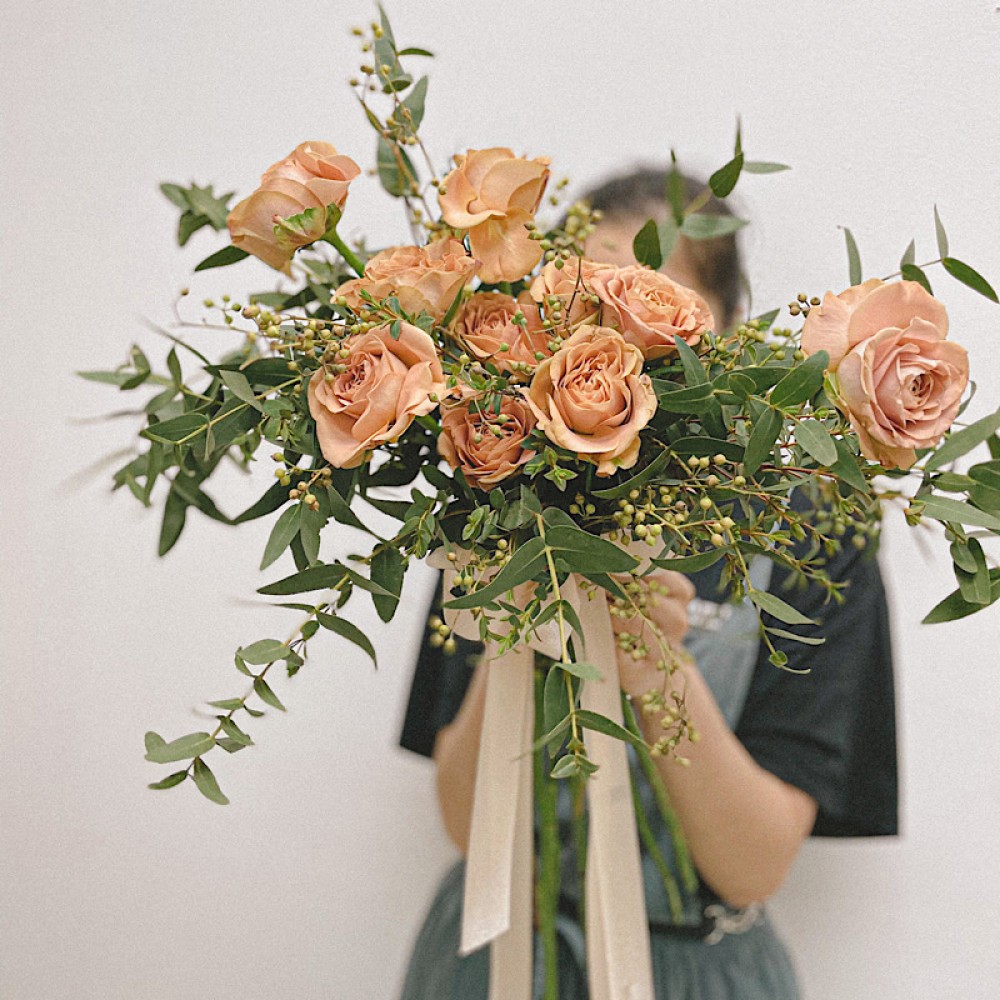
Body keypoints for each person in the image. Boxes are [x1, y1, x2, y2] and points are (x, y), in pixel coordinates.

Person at [397, 168, 899, 999]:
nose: (615, 358)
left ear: (728, 340)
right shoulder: (495, 489)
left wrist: (649, 654)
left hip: (695, 969)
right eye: (584, 316)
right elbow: (464, 822)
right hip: (492, 953)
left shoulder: (810, 532)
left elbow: (753, 867)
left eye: (653, 325)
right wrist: (522, 616)